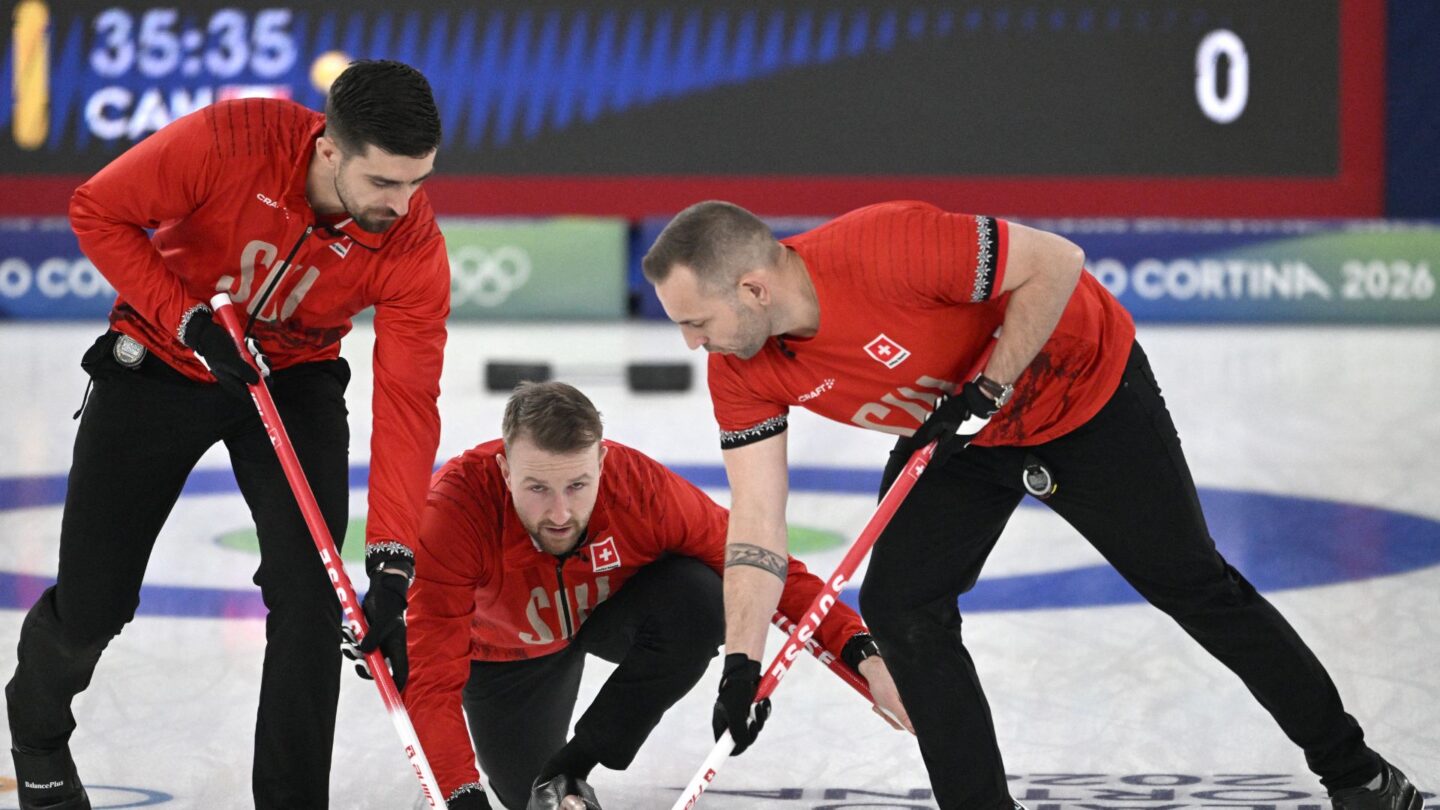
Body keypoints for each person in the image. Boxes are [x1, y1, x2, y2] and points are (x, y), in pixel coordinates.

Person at [640, 200, 1423, 810]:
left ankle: (1358, 775)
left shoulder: (886, 248)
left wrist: (989, 385)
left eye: (695, 323)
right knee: (901, 605)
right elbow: (757, 521)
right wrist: (740, 665)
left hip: (1083, 396)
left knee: (1195, 587)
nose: (691, 344)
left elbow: (1057, 261)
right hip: (959, 440)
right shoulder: (742, 367)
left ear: (752, 288)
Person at [5, 60, 448, 810]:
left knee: (313, 600)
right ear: (329, 150)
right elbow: (97, 211)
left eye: (418, 182)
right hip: (162, 357)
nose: (403, 205)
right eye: (384, 184)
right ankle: (39, 738)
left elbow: (408, 403)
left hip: (294, 374)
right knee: (94, 602)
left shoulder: (411, 245)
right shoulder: (231, 139)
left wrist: (395, 566)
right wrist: (186, 318)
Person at [403, 381, 911, 810]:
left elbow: (759, 564)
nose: (559, 513)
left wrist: (862, 654)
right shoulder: (455, 509)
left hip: (609, 614)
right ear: (505, 469)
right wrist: (462, 800)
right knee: (527, 795)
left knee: (700, 597)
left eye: (578, 485)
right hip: (503, 652)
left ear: (603, 461)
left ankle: (578, 763)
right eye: (537, 488)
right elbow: (432, 679)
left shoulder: (638, 487)